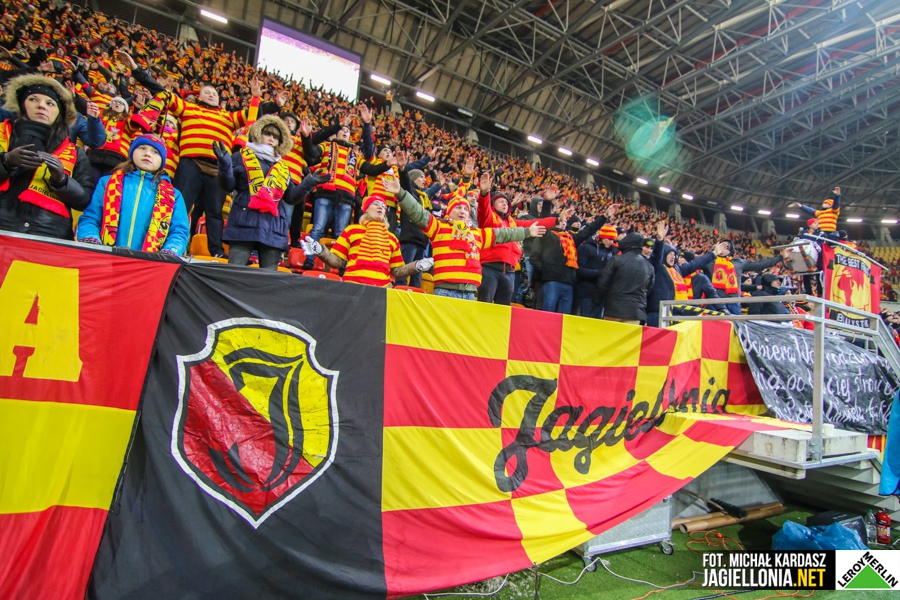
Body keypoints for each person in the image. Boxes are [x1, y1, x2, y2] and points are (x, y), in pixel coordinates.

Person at [144, 78, 263, 257]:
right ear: (199, 96)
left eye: (214, 94)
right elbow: (165, 95)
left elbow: (253, 116)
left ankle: (216, 251)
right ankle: (167, 244)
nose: (211, 95)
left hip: (217, 169)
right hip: (190, 163)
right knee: (180, 206)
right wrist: (137, 71)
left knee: (214, 212)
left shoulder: (228, 116)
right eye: (207, 92)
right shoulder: (187, 108)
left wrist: (255, 97)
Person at [388, 172, 546, 300]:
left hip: (470, 293)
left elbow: (504, 233)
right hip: (445, 292)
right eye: (458, 208)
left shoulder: (477, 234)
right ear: (449, 212)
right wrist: (401, 193)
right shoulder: (438, 228)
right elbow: (417, 212)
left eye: (465, 209)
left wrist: (527, 232)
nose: (463, 211)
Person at [214, 115, 323, 270]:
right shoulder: (241, 156)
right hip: (244, 220)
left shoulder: (283, 167)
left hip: (273, 227)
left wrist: (309, 182)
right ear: (258, 133)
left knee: (269, 278)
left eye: (276, 137)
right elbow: (228, 186)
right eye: (268, 134)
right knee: (235, 272)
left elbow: (291, 197)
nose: (272, 139)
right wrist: (224, 166)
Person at [0, 74, 95, 240]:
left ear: (59, 113)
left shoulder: (76, 152)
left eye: (50, 103)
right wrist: (5, 162)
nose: (41, 106)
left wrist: (62, 181)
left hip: (50, 234)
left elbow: (84, 200)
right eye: (33, 99)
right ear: (22, 105)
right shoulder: (3, 134)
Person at [76, 133, 189, 255]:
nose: (147, 154)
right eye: (142, 148)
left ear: (162, 161)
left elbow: (179, 232)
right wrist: (91, 238)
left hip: (150, 263)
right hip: (107, 258)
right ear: (132, 152)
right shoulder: (107, 183)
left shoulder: (174, 195)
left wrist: (170, 251)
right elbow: (91, 218)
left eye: (155, 152)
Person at [299, 194, 433, 287]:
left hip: (382, 291)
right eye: (376, 204)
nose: (381, 207)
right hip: (353, 287)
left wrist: (416, 266)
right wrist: (321, 251)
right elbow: (337, 261)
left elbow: (397, 270)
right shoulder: (351, 230)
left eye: (383, 206)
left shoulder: (392, 238)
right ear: (366, 209)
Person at [475, 172, 558, 305]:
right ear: (493, 205)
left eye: (506, 202)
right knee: (484, 305)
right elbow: (483, 209)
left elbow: (535, 223)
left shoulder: (513, 222)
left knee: (503, 309)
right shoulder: (488, 219)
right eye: (501, 202)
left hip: (509, 271)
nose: (504, 204)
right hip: (490, 268)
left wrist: (555, 219)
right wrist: (484, 193)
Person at [531, 204, 618, 314]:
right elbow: (543, 223)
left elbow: (588, 231)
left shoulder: (571, 239)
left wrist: (604, 216)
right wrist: (547, 202)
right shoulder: (548, 237)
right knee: (547, 315)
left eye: (565, 221)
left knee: (564, 319)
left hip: (569, 284)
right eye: (561, 220)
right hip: (552, 282)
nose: (564, 223)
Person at [645, 221, 730, 327]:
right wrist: (660, 240)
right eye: (670, 254)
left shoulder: (677, 270)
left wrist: (714, 253)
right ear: (664, 254)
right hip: (658, 315)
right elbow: (656, 255)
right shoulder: (657, 267)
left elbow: (696, 263)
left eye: (674, 254)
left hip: (674, 315)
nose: (673, 257)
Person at [593, 232, 655, 325]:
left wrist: (598, 301)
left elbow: (602, 283)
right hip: (635, 312)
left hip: (613, 310)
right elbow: (648, 289)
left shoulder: (616, 260)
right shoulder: (649, 266)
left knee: (611, 334)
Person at [396, 166, 442, 288]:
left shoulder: (422, 196)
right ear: (413, 178)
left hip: (422, 242)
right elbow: (405, 181)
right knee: (403, 275)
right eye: (421, 177)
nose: (424, 180)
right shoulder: (409, 192)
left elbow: (429, 193)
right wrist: (402, 170)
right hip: (410, 239)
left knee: (417, 280)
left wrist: (439, 185)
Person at [712, 241, 787, 314]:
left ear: (730, 250)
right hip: (715, 302)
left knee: (735, 322)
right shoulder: (711, 262)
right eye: (720, 246)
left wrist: (780, 257)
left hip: (733, 302)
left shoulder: (738, 262)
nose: (722, 248)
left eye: (725, 247)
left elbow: (760, 264)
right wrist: (713, 253)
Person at [575, 223, 618, 318]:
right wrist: (599, 273)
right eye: (609, 239)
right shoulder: (587, 248)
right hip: (586, 292)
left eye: (613, 240)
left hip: (600, 294)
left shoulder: (610, 253)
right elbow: (578, 269)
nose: (611, 242)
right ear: (602, 237)